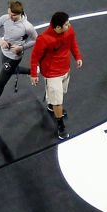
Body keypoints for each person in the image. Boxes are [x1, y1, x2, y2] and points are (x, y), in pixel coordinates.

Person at [29, 10, 83, 141]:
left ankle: (51, 105)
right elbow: (34, 57)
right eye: (66, 24)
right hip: (52, 74)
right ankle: (61, 125)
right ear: (58, 27)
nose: (69, 25)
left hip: (65, 70)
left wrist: (77, 57)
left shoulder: (68, 30)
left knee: (60, 95)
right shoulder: (44, 39)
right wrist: (34, 74)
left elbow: (72, 43)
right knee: (59, 102)